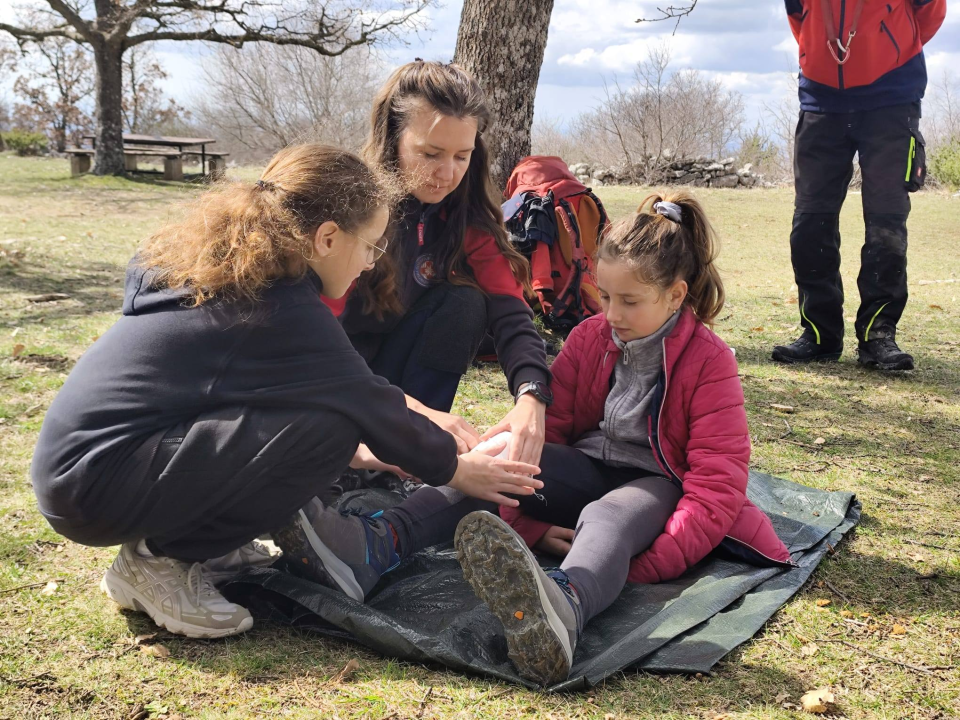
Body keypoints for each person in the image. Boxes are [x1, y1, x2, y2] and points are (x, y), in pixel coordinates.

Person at [29, 144, 541, 639]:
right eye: (370, 246)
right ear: (327, 239)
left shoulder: (234, 274)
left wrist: (381, 458)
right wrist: (457, 470)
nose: (370, 264)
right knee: (333, 429)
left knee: (322, 420)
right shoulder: (282, 309)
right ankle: (161, 560)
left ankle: (204, 543)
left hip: (84, 468)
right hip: (94, 486)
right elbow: (365, 401)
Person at [290, 191, 792, 686]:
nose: (611, 313)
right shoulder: (590, 337)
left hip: (655, 484)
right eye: (606, 295)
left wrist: (645, 562)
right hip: (586, 468)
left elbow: (717, 483)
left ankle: (564, 608)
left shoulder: (710, 361)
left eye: (630, 301)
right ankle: (375, 547)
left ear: (676, 296)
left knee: (608, 516)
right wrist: (528, 525)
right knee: (498, 462)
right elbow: (552, 432)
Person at [324, 60, 552, 467]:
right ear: (392, 139)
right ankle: (380, 456)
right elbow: (317, 344)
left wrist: (532, 395)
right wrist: (419, 414)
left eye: (462, 156)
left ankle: (405, 462)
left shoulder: (466, 216)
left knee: (465, 303)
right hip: (334, 382)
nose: (446, 174)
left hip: (399, 388)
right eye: (430, 154)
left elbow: (511, 316)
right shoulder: (352, 212)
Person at [773, 0, 947, 371]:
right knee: (809, 222)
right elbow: (797, 15)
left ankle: (878, 335)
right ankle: (819, 335)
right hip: (820, 98)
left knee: (887, 223)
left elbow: (929, 13)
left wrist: (889, 47)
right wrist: (819, 52)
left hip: (892, 98)